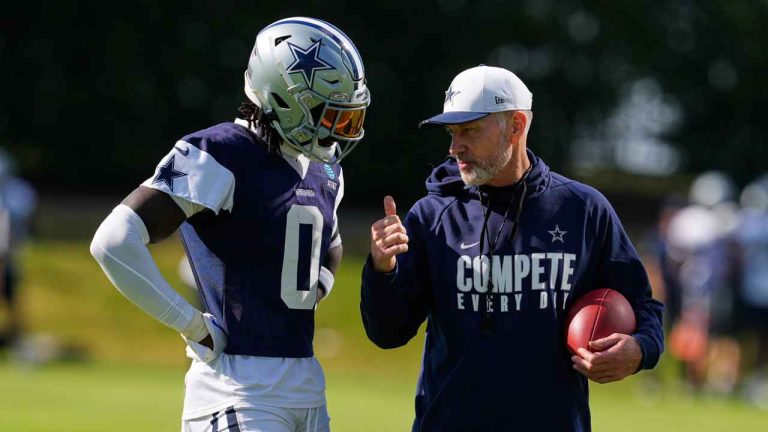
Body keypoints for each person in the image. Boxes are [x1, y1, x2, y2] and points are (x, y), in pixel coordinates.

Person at [90, 17, 370, 431]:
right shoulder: (220, 153)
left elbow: (329, 242)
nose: (336, 131)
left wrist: (321, 284)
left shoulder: (323, 169)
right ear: (284, 97)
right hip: (238, 387)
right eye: (325, 114)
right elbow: (113, 241)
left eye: (346, 117)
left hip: (307, 384)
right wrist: (189, 324)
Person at [360, 65, 664, 431]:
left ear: (517, 125)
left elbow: (643, 304)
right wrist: (382, 270)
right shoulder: (431, 216)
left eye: (469, 130)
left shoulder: (582, 209)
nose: (455, 147)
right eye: (453, 132)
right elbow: (387, 333)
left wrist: (641, 349)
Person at [0, 148, 38, 350]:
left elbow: (23, 224)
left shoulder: (19, 192)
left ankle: (17, 345)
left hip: (10, 256)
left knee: (13, 304)